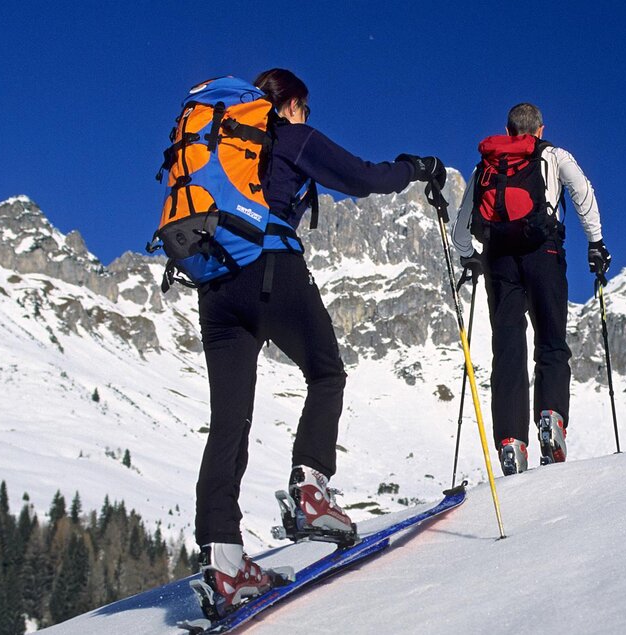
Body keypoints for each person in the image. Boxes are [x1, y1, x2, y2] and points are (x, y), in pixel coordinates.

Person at [195, 68, 446, 614]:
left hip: (213, 284)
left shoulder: (216, 145)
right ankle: (311, 491)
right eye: (306, 109)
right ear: (290, 106)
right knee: (327, 372)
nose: (308, 118)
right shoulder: (288, 136)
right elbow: (360, 177)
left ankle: (225, 565)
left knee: (229, 422)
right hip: (269, 269)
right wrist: (414, 168)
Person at [450, 102, 610, 474]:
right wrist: (596, 243)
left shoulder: (486, 165)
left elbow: (462, 223)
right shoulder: (553, 155)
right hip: (544, 252)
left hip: (499, 258)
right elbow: (583, 193)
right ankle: (551, 420)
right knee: (551, 340)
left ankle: (510, 441)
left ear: (508, 132)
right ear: (540, 129)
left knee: (507, 349)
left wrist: (468, 257)